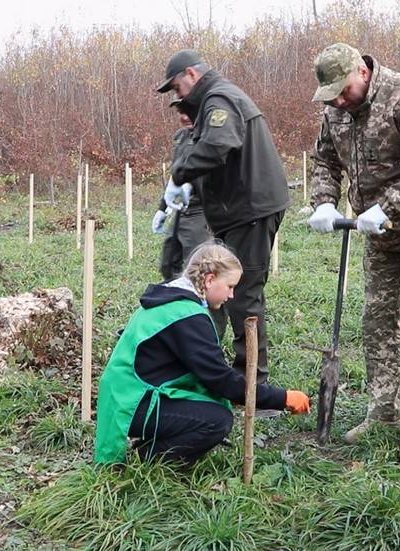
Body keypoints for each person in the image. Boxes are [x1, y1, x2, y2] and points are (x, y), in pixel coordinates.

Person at [306, 43, 400, 461]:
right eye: (331, 95)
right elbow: (324, 160)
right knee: (377, 320)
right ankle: (383, 411)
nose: (338, 100)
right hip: (376, 233)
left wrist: (388, 206)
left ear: (362, 70)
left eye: (343, 90)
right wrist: (323, 200)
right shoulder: (335, 110)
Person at [94, 242, 310, 465]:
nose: (232, 295)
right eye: (230, 286)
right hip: (132, 404)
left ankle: (151, 446)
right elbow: (222, 381)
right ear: (209, 280)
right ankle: (148, 460)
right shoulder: (187, 316)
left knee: (210, 404)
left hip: (124, 395)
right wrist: (282, 398)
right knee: (216, 420)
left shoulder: (171, 298)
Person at [157, 49, 290, 388]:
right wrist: (184, 189)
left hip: (252, 211)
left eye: (176, 87)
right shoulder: (213, 102)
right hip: (240, 211)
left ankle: (253, 386)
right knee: (226, 288)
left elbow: (218, 145)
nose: (177, 96)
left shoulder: (219, 99)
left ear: (191, 74)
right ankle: (229, 373)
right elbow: (218, 156)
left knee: (242, 294)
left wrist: (179, 175)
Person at [154, 99, 214, 282]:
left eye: (189, 112)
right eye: (180, 112)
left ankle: (206, 309)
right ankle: (175, 305)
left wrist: (191, 185)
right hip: (182, 211)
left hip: (203, 212)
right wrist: (162, 208)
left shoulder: (210, 137)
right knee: (169, 263)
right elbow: (175, 176)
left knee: (198, 269)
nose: (184, 117)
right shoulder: (182, 137)